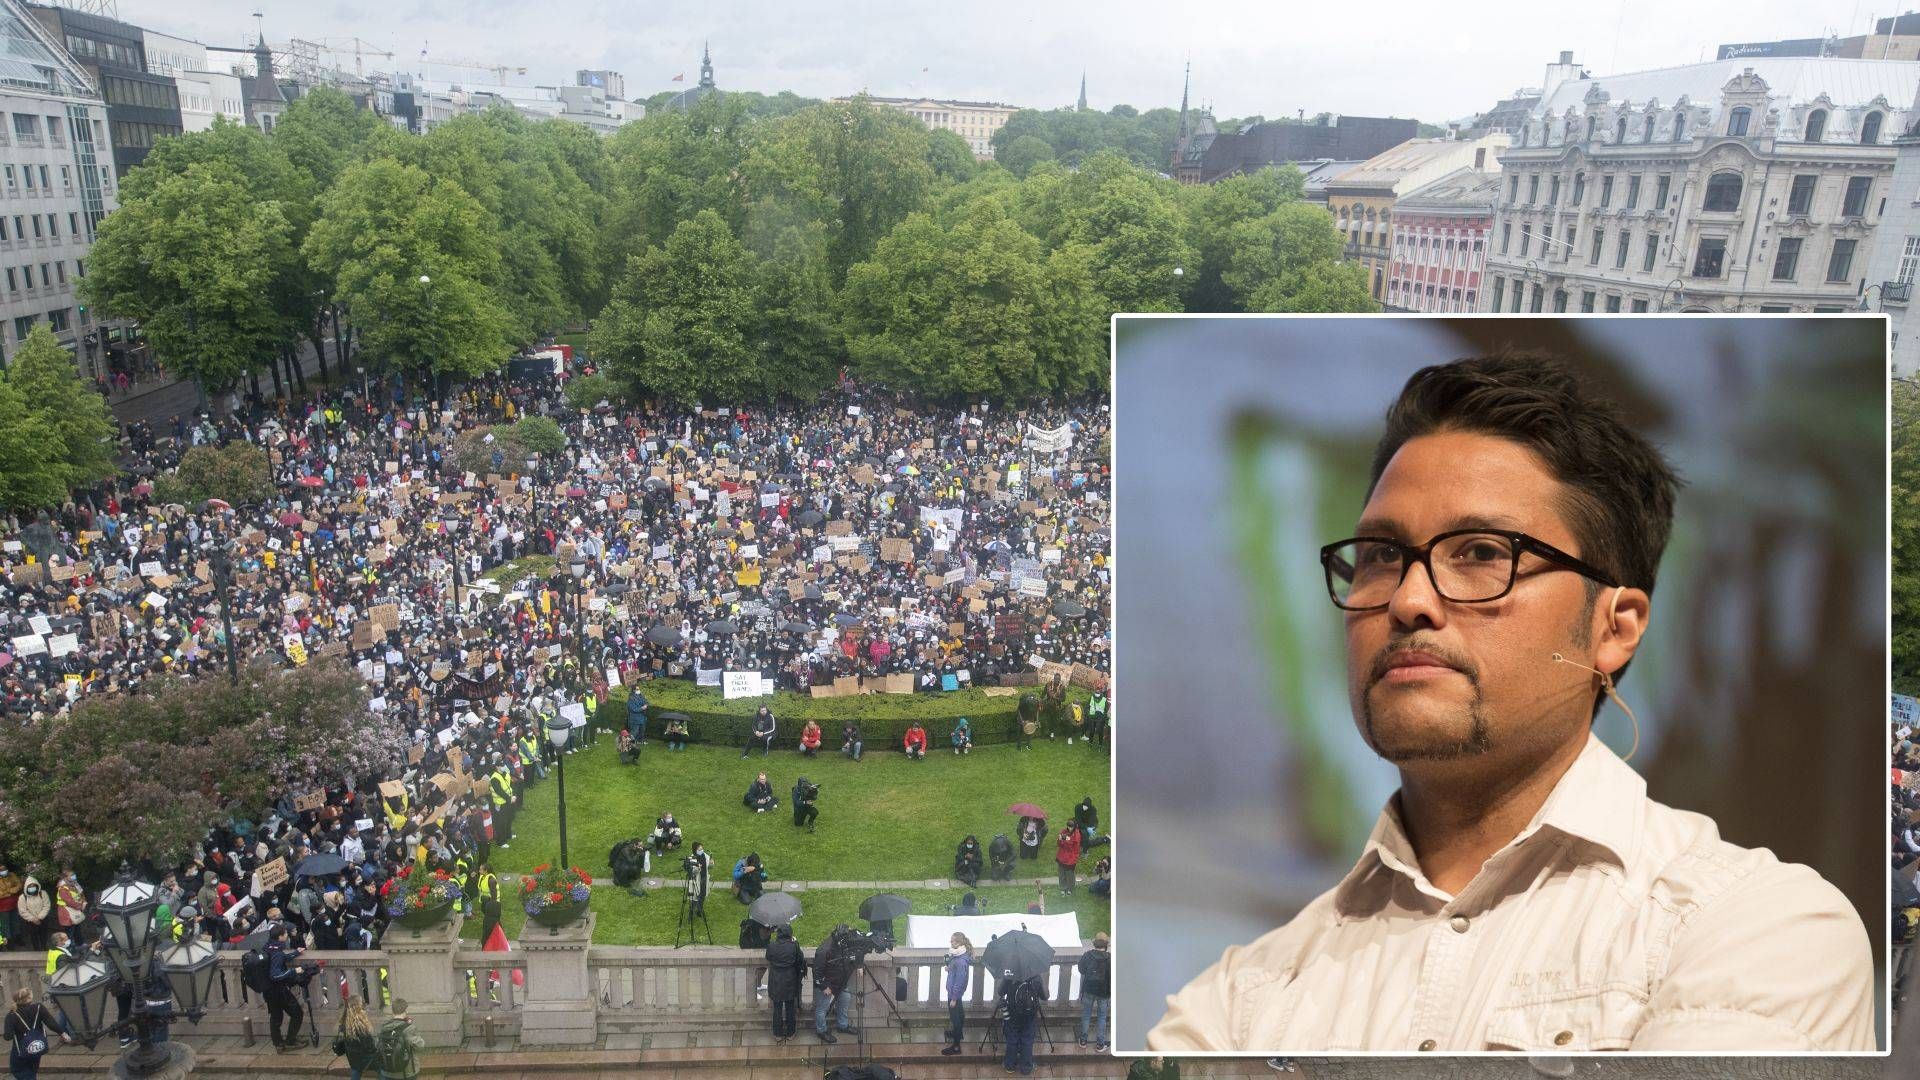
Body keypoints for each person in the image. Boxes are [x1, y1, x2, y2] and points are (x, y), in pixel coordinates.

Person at [1149, 353, 1874, 1052]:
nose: (1408, 600)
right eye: (1379, 556)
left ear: (1612, 628)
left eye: (1482, 554)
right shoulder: (1244, 995)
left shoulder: (1756, 927)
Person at [6, 987, 69, 1080]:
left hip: (21, 1050)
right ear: (29, 998)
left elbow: (8, 1036)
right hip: (37, 1047)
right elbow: (51, 1023)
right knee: (32, 1069)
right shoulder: (39, 1007)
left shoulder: (12, 1014)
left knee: (17, 1069)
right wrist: (63, 1033)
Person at [263, 925, 307, 1052]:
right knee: (297, 1013)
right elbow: (275, 975)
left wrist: (295, 953)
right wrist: (294, 971)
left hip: (269, 990)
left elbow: (281, 958)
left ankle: (278, 1044)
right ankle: (290, 1041)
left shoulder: (268, 946)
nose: (287, 935)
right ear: (280, 937)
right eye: (285, 933)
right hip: (278, 990)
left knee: (276, 1017)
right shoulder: (277, 952)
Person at [811, 925, 859, 1043]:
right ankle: (821, 1031)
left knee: (845, 1000)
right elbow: (816, 971)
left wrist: (860, 965)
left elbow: (857, 952)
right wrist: (823, 986)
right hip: (827, 984)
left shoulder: (842, 943)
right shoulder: (824, 950)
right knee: (822, 1008)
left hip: (840, 982)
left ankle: (842, 1025)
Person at [764, 924, 806, 1042]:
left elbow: (768, 957)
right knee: (790, 1007)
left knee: (777, 1008)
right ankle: (790, 1033)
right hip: (790, 981)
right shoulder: (793, 946)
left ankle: (777, 1034)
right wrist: (796, 943)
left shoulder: (772, 945)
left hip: (776, 980)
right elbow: (800, 959)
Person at [1000, 968, 1042, 1075]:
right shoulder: (1035, 975)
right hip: (1029, 1015)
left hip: (1012, 1013)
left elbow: (1000, 991)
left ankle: (1010, 1065)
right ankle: (1026, 1067)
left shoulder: (1010, 974)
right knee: (1027, 1040)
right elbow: (1045, 996)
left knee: (1012, 1039)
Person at [374, 998, 424, 1080]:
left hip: (387, 1071)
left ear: (393, 1012)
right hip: (407, 1072)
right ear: (405, 1011)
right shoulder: (409, 1028)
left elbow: (377, 1045)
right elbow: (420, 1045)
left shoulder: (383, 1027)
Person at [1077, 932, 1111, 1051]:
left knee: (1086, 1015)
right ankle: (1100, 1044)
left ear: (1095, 943)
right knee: (1102, 1017)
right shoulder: (1110, 958)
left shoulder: (1088, 955)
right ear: (1106, 944)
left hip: (1089, 989)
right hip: (1104, 992)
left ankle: (1083, 1040)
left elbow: (1081, 969)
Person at [333, 994, 378, 1080]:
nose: (364, 1005)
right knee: (382, 1067)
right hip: (365, 1059)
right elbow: (369, 1047)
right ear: (358, 1007)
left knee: (356, 1069)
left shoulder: (345, 1022)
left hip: (352, 1058)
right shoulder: (360, 1026)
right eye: (362, 1003)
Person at [941, 932, 972, 1056]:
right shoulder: (958, 955)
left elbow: (959, 980)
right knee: (960, 1013)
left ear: (959, 943)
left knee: (956, 1018)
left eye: (953, 941)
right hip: (955, 992)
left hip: (954, 993)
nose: (951, 943)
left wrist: (953, 998)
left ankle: (956, 1046)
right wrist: (949, 967)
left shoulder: (960, 961)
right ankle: (957, 1033)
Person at [1055, 824, 1082, 894]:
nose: (1069, 828)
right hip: (1062, 856)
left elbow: (1074, 848)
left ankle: (1070, 888)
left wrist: (1068, 840)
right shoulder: (1064, 831)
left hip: (1071, 859)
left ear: (1074, 827)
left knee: (1070, 875)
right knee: (1061, 873)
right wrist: (1060, 839)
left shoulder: (1077, 835)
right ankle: (1062, 887)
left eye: (1071, 826)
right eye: (1068, 826)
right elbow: (1059, 844)